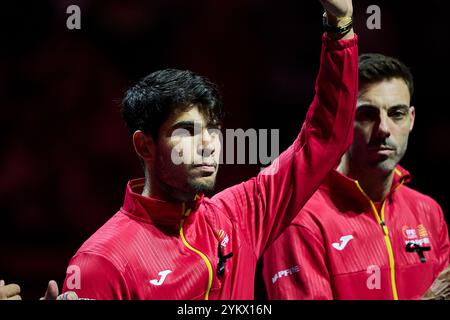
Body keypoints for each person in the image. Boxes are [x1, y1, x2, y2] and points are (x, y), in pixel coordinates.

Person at [54, 0, 358, 300]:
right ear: (144, 145)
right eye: (186, 132)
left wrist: (340, 27)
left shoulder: (239, 216)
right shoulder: (102, 263)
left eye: (213, 130)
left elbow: (323, 140)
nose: (207, 145)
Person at [260, 53, 450, 300]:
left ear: (411, 119)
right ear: (342, 119)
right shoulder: (300, 221)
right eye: (367, 114)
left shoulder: (428, 212)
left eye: (397, 114)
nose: (383, 129)